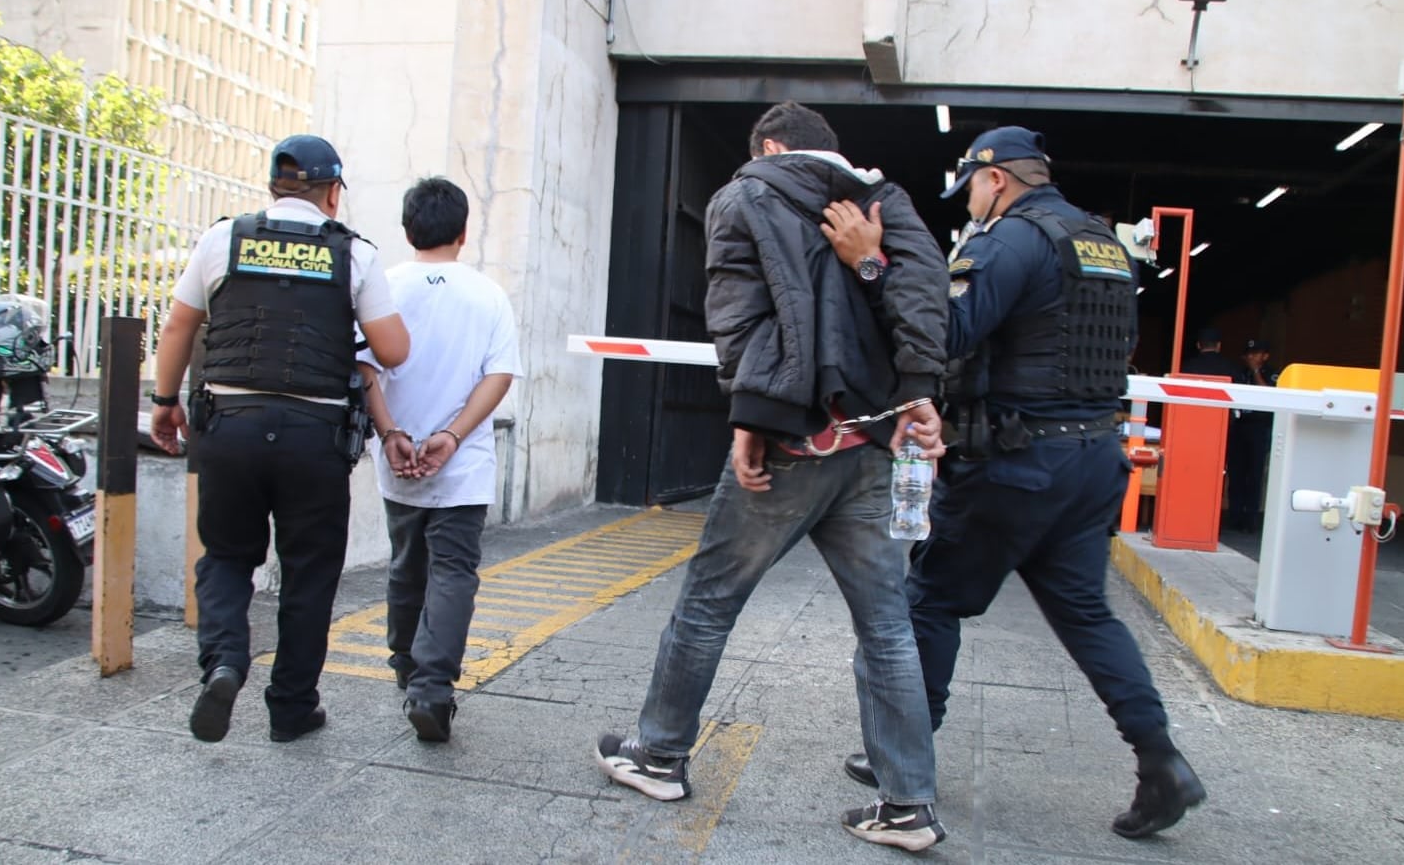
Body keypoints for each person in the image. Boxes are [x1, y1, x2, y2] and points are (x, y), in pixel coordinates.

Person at [592, 101, 952, 852]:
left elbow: (738, 314)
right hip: (875, 443)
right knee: (886, 625)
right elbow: (923, 302)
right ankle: (908, 805)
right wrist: (919, 390)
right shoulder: (888, 202)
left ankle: (658, 755)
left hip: (794, 440)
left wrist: (750, 420)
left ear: (770, 146)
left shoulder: (744, 194)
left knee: (708, 603)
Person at [838, 126, 1207, 839]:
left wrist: (874, 267)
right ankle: (1162, 761)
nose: (971, 204)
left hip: (1017, 461)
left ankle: (905, 758)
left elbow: (947, 330)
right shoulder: (1105, 246)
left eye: (972, 189)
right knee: (1086, 614)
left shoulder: (1009, 240)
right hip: (1094, 459)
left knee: (932, 598)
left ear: (996, 179)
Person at [149, 134, 410, 744]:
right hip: (313, 438)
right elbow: (394, 349)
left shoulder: (223, 239)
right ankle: (291, 708)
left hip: (229, 425)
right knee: (309, 573)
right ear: (332, 193)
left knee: (226, 557)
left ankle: (223, 663)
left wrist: (164, 403)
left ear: (274, 186)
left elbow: (179, 324)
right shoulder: (354, 255)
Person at [355, 176, 522, 743]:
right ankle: (432, 687)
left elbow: (365, 370)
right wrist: (451, 437)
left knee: (406, 564)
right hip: (464, 465)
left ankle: (406, 664)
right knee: (452, 572)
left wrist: (390, 433)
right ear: (464, 231)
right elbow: (498, 375)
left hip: (397, 459)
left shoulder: (384, 289)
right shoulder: (487, 295)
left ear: (407, 230)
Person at [1226, 339, 1280, 531]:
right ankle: (1234, 517)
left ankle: (1250, 520)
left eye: (1256, 353)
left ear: (1265, 356)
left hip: (1259, 428)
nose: (1251, 357)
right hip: (1239, 427)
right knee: (1236, 473)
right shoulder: (1239, 373)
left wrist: (1256, 371)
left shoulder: (1272, 373)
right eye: (1248, 353)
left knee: (1255, 475)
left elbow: (1269, 395)